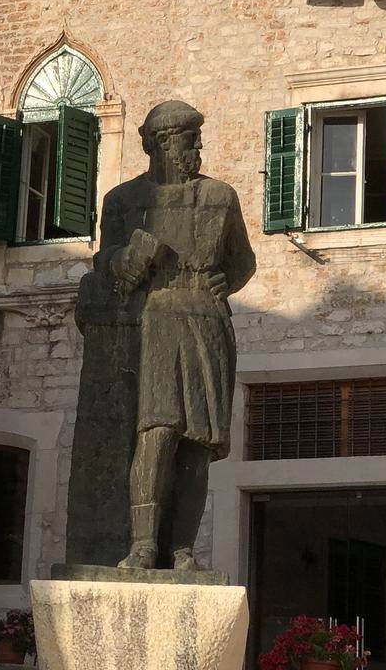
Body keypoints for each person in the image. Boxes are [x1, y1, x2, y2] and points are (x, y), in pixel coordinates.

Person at [93, 99, 256, 570]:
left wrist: (225, 281)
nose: (198, 146)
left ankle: (182, 548)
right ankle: (144, 543)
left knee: (197, 444)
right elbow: (104, 265)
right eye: (190, 137)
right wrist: (129, 258)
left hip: (206, 319)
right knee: (158, 431)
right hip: (155, 317)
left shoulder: (220, 197)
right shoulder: (123, 201)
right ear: (162, 142)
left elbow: (242, 262)